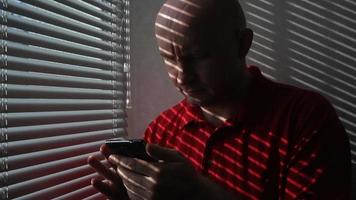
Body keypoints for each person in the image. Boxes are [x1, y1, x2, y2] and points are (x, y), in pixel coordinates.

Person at [88, 0, 352, 199]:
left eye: (198, 56)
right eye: (169, 58)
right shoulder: (161, 130)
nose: (182, 78)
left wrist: (204, 194)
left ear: (242, 44)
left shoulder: (306, 119)